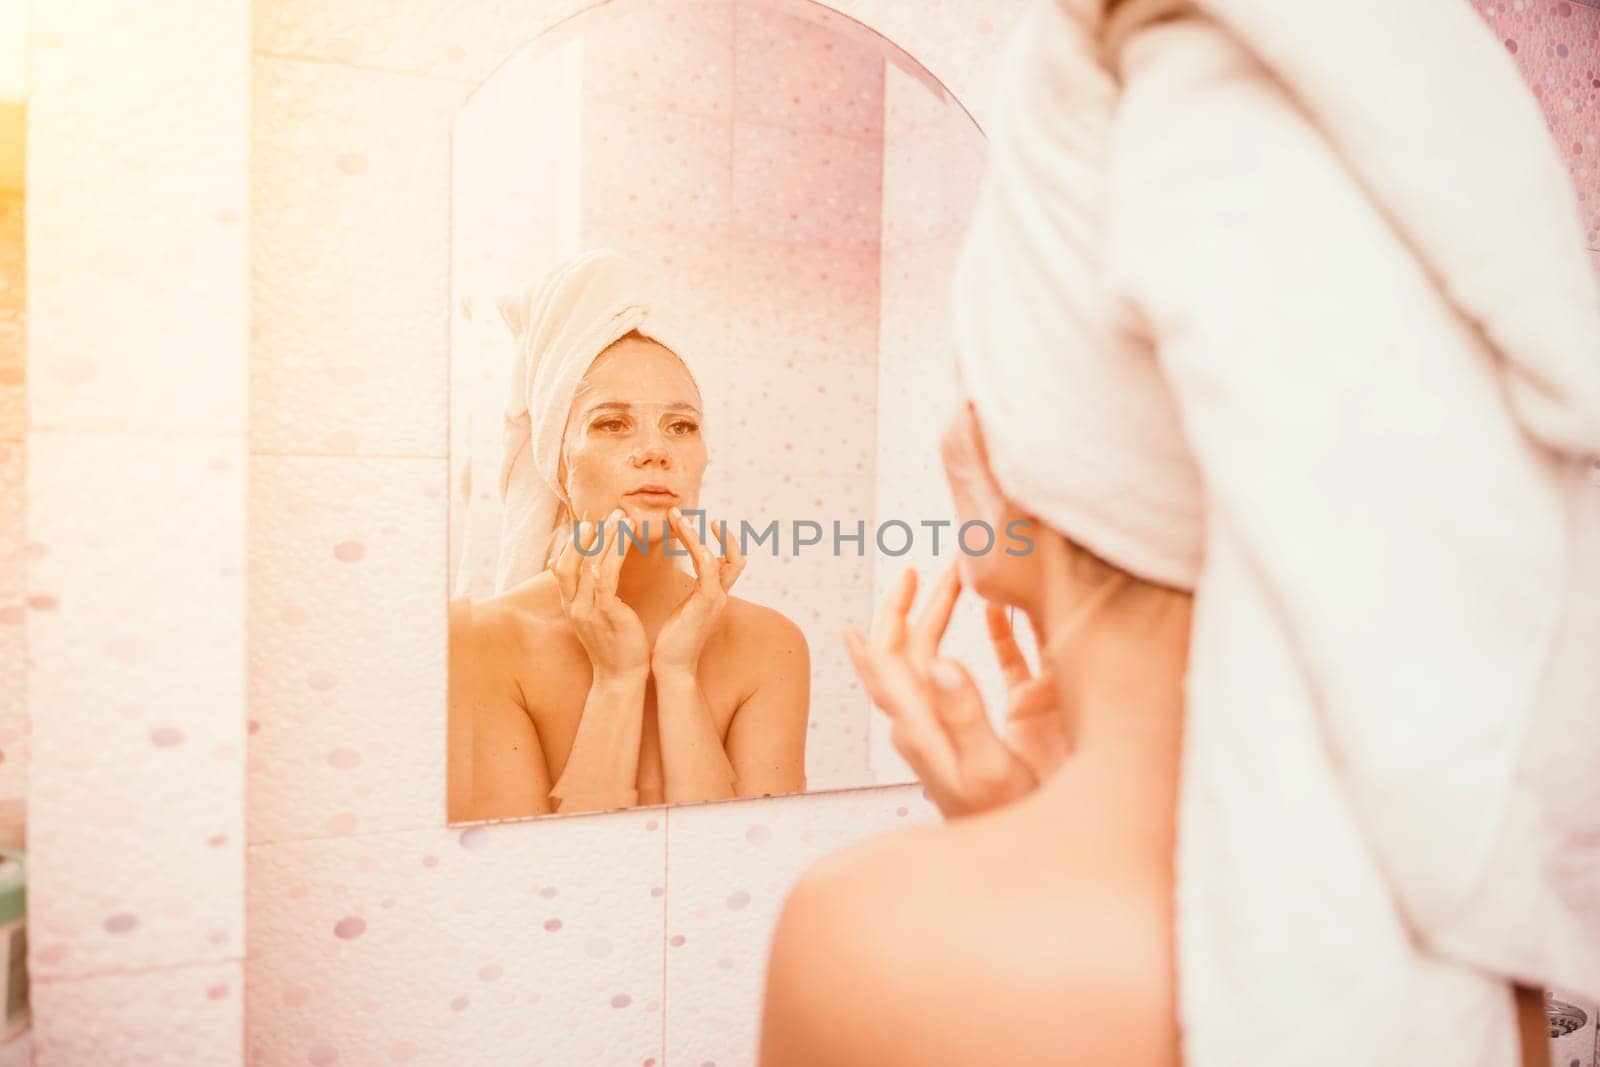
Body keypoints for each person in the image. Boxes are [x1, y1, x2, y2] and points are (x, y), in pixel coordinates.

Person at [760, 0, 1600, 1064]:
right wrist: (1010, 820)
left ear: (1019, 469)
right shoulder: (1468, 948)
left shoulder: (873, 945)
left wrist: (1007, 845)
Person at [448, 250, 809, 821]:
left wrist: (678, 675)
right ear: (557, 459)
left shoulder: (770, 643)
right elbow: (534, 882)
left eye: (681, 426)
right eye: (612, 424)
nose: (655, 451)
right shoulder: (479, 639)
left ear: (703, 457)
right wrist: (617, 683)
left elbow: (740, 860)